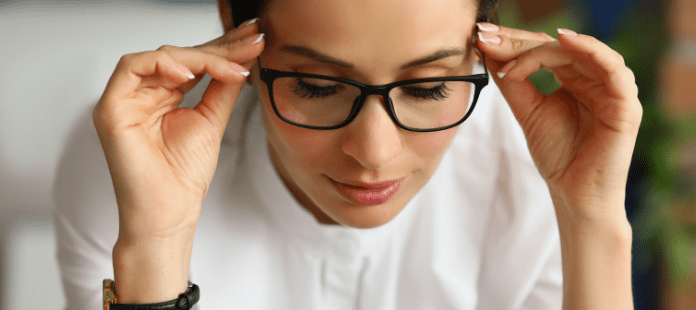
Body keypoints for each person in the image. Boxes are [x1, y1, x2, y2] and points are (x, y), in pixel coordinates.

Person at [55, 0, 641, 308]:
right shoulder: (135, 163)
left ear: (484, 40)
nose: (373, 153)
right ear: (235, 24)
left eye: (428, 89)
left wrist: (590, 216)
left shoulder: (529, 167)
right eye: (317, 87)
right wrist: (157, 242)